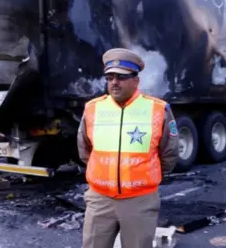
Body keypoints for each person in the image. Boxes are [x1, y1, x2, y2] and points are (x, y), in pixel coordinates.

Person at [77, 48, 180, 248]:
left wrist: (144, 180)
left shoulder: (158, 109)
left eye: (121, 77)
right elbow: (84, 148)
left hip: (140, 201)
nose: (114, 82)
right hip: (100, 200)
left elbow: (169, 152)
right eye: (110, 77)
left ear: (136, 80)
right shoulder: (92, 108)